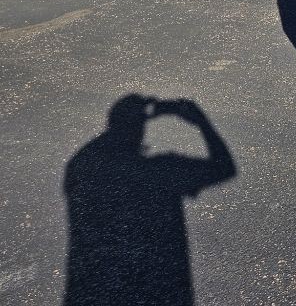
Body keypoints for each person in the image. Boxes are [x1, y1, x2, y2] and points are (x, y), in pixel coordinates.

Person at [63, 95, 236, 306]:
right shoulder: (162, 172)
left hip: (93, 294)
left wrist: (134, 116)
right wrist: (200, 120)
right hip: (161, 293)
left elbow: (91, 152)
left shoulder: (83, 170)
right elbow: (224, 168)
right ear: (140, 128)